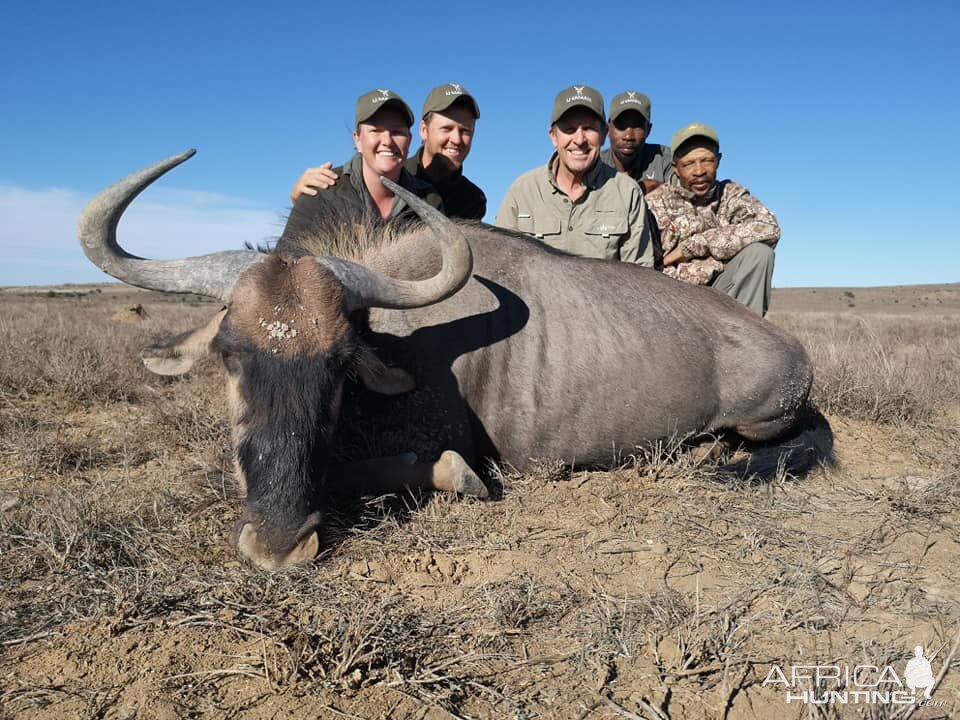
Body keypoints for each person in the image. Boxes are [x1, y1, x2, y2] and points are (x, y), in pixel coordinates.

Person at [495, 85, 654, 266]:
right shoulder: (522, 191)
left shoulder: (627, 193)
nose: (579, 140)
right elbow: (500, 265)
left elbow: (640, 275)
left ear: (603, 135)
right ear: (553, 136)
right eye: (569, 129)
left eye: (589, 128)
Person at [288, 83, 485, 220]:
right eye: (446, 129)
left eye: (465, 131)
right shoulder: (392, 169)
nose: (457, 139)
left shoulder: (472, 199)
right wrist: (302, 198)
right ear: (423, 131)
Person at [278, 88, 442, 248]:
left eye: (397, 132)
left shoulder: (429, 200)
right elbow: (285, 262)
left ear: (409, 139)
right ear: (357, 140)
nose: (387, 141)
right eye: (375, 131)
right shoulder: (321, 191)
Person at [645, 123, 779, 315]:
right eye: (689, 164)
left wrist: (692, 246)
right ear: (675, 168)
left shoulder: (730, 193)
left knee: (760, 254)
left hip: (723, 291)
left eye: (706, 160)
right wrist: (707, 266)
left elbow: (769, 227)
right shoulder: (655, 204)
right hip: (675, 300)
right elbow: (650, 269)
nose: (699, 171)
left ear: (718, 161)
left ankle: (746, 338)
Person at [600, 91, 674, 194]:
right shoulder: (594, 165)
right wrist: (637, 189)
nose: (628, 136)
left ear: (648, 129)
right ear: (607, 129)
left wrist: (661, 190)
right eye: (621, 126)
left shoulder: (666, 160)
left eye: (637, 126)